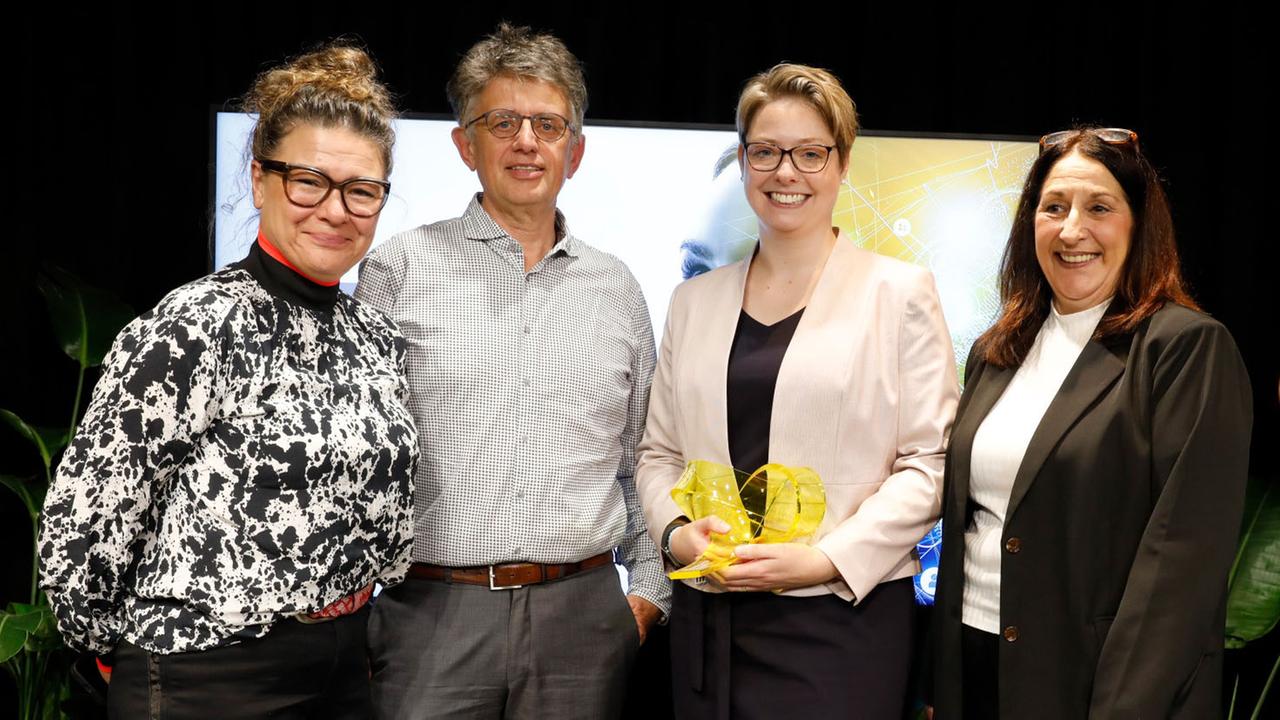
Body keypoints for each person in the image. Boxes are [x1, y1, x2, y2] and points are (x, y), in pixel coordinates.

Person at [38, 44, 417, 718]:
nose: (336, 210)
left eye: (361, 190)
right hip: (204, 676)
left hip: (343, 669)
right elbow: (84, 525)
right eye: (309, 180)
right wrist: (122, 654)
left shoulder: (373, 335)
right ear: (261, 179)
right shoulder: (194, 326)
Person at [355, 23, 669, 720]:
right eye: (503, 121)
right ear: (466, 144)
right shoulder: (397, 269)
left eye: (548, 125)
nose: (527, 141)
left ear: (575, 151)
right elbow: (359, 459)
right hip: (430, 617)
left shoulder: (616, 288)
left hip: (584, 619)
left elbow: (640, 456)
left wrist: (647, 593)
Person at [635, 63, 960, 719]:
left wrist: (825, 561)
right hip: (709, 623)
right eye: (767, 152)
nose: (787, 172)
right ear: (746, 160)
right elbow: (658, 455)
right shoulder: (693, 303)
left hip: (839, 625)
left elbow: (930, 464)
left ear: (841, 165)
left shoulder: (899, 294)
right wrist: (675, 535)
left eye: (811, 153)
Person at [929, 127, 1253, 718]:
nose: (1072, 229)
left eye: (1099, 207)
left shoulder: (1185, 348)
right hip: (974, 663)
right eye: (1054, 207)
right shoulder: (996, 350)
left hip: (1097, 681)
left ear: (1138, 225)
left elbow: (1181, 563)